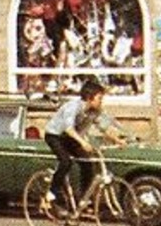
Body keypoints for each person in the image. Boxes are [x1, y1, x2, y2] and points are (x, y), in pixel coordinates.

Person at [42, 77, 126, 212]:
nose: (101, 102)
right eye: (99, 98)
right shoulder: (73, 107)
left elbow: (103, 128)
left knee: (87, 163)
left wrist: (117, 140)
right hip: (55, 135)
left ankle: (83, 200)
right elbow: (68, 129)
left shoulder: (94, 111)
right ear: (89, 98)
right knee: (65, 161)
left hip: (72, 138)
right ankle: (51, 194)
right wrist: (83, 142)